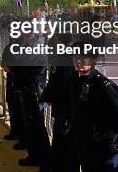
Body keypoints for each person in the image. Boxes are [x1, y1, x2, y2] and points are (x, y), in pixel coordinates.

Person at [70, 41, 118, 172]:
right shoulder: (75, 80)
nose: (78, 61)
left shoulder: (104, 85)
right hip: (86, 148)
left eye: (82, 58)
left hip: (105, 150)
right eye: (75, 57)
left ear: (92, 61)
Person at [40, 33, 79, 172]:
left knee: (62, 149)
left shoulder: (63, 62)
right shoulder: (68, 60)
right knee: (66, 151)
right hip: (67, 113)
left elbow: (57, 86)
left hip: (65, 114)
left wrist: (45, 97)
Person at [14, 33, 49, 167]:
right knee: (32, 127)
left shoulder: (34, 49)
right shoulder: (28, 46)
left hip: (32, 92)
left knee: (36, 127)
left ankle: (40, 157)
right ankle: (36, 155)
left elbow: (26, 69)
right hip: (28, 90)